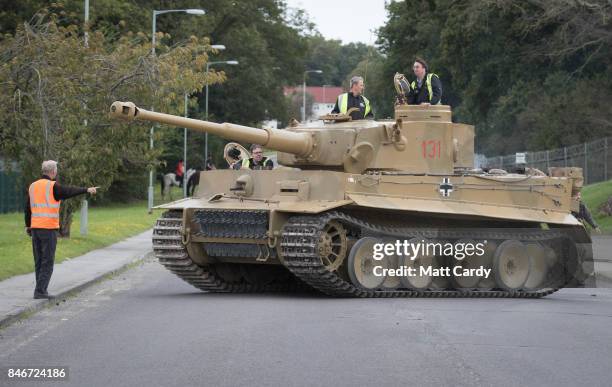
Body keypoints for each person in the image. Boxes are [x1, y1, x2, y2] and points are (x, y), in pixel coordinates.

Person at [24, 160, 98, 299]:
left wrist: (28, 225)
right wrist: (86, 189)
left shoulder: (33, 186)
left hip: (35, 228)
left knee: (39, 260)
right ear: (53, 172)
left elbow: (28, 208)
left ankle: (39, 289)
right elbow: (68, 191)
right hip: (48, 229)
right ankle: (40, 291)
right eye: (56, 170)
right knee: (48, 260)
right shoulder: (52, 186)